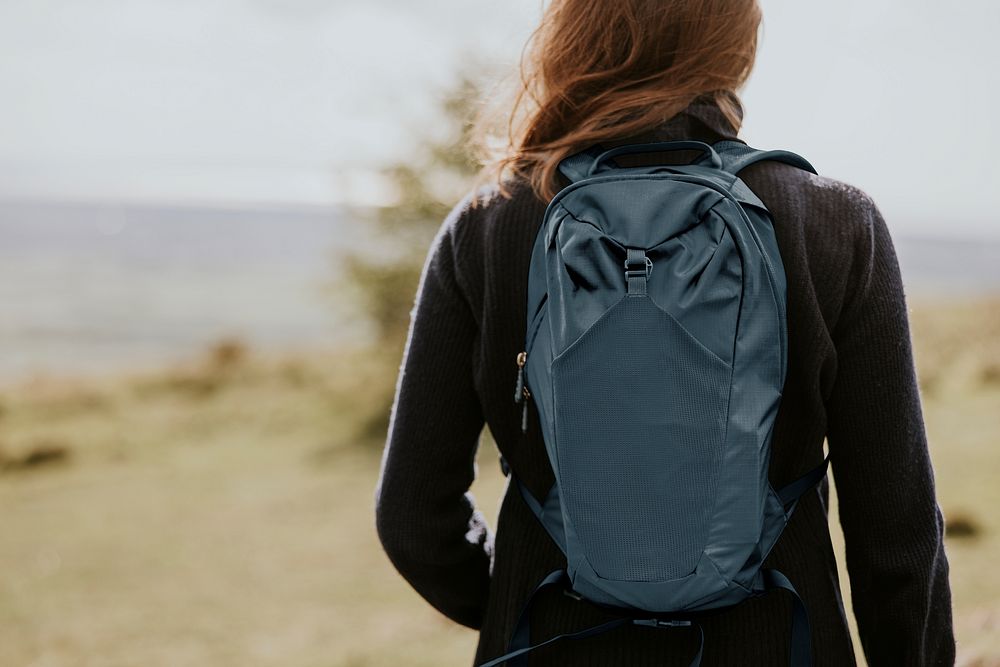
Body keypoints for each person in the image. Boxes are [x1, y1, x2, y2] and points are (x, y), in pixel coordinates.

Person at [374, 0, 955, 664]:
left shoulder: (487, 225)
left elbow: (413, 516)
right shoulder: (833, 222)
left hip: (547, 636)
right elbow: (897, 536)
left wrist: (517, 595)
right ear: (733, 48)